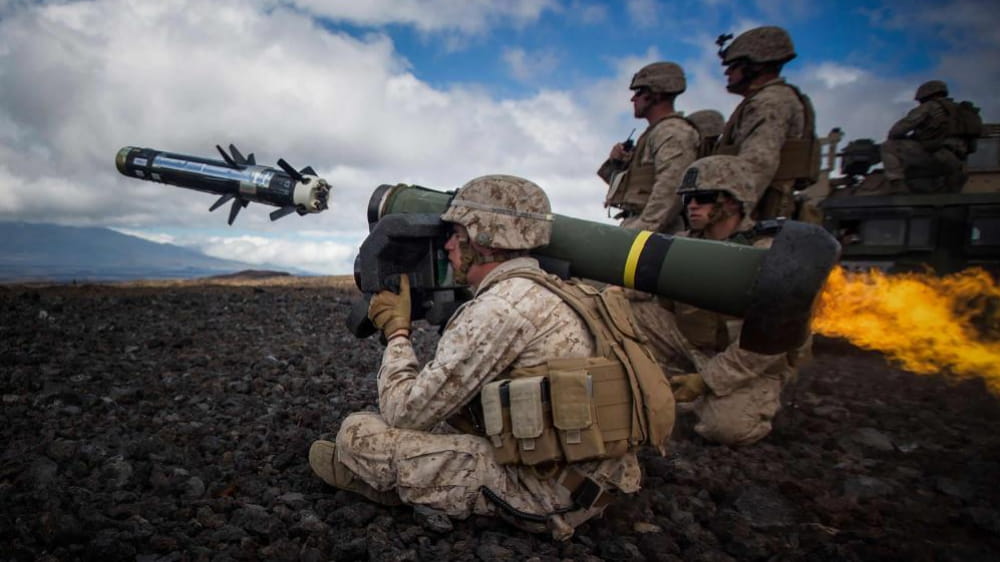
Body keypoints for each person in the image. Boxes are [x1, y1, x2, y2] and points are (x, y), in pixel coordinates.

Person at [308, 175, 674, 540]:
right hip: (600, 475)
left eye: (457, 234)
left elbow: (405, 412)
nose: (449, 245)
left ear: (483, 241)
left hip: (548, 493)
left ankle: (393, 486)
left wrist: (397, 331)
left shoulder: (501, 307)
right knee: (443, 420)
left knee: (359, 433)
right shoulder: (563, 289)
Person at [628, 155, 806, 446]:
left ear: (733, 202)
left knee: (726, 429)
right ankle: (662, 386)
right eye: (687, 199)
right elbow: (642, 287)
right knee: (625, 312)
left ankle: (732, 400)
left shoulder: (769, 254)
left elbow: (770, 340)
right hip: (693, 343)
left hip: (745, 359)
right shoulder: (684, 242)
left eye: (704, 198)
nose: (692, 206)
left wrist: (706, 381)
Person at [715, 26, 819, 220]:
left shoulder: (769, 103)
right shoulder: (769, 99)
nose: (728, 72)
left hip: (759, 215)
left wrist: (729, 219)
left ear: (756, 65)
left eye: (734, 65)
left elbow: (757, 165)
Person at [598, 61, 700, 233]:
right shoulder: (655, 132)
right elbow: (632, 191)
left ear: (656, 95)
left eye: (639, 92)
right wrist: (617, 164)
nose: (633, 98)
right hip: (639, 224)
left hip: (656, 232)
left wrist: (642, 231)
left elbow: (671, 189)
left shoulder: (673, 132)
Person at [881, 80, 975, 193]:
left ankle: (897, 184)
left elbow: (896, 132)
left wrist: (911, 139)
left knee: (888, 146)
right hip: (958, 164)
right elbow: (973, 147)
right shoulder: (962, 111)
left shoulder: (929, 106)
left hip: (936, 155)